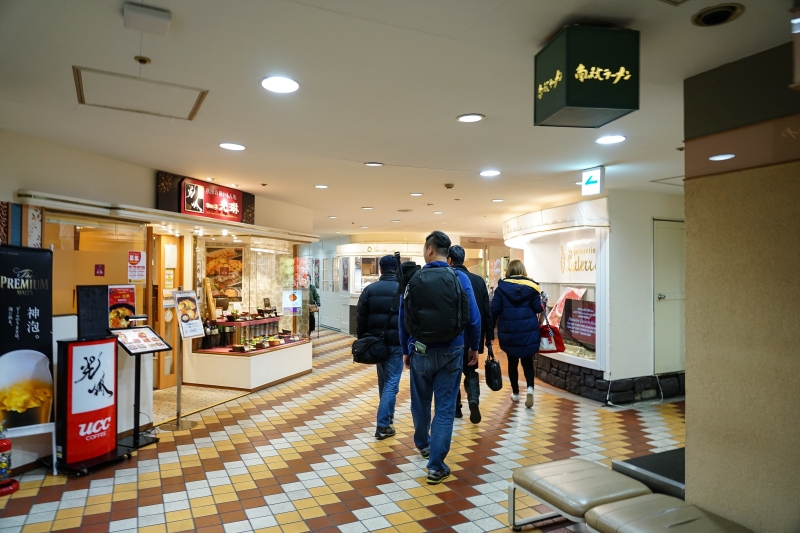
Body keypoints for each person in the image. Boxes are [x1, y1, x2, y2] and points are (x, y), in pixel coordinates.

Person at [399, 231, 481, 484]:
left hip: (421, 350)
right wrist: (474, 347)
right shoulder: (458, 278)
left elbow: (403, 319)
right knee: (445, 408)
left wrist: (405, 349)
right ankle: (436, 466)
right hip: (452, 350)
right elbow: (474, 318)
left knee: (420, 401)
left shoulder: (414, 279)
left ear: (430, 250)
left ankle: (423, 444)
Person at [446, 245, 493, 424]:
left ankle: (457, 408)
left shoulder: (448, 278)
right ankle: (473, 399)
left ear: (449, 259)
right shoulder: (478, 281)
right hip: (474, 334)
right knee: (471, 370)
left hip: (453, 336)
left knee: (453, 372)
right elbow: (486, 312)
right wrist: (489, 337)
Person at [356, 256, 402, 440]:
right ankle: (383, 424)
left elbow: (360, 318)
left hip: (376, 343)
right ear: (396, 269)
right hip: (397, 343)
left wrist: (363, 340)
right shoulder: (402, 290)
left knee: (384, 382)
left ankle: (388, 418)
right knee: (391, 383)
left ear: (381, 269)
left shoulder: (370, 290)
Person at [491, 259, 547, 409]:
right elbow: (538, 308)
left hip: (509, 331)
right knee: (527, 362)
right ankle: (530, 389)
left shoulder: (501, 288)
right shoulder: (532, 287)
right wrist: (543, 302)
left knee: (512, 362)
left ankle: (516, 393)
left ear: (509, 270)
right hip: (528, 330)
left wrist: (489, 332)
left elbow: (494, 310)